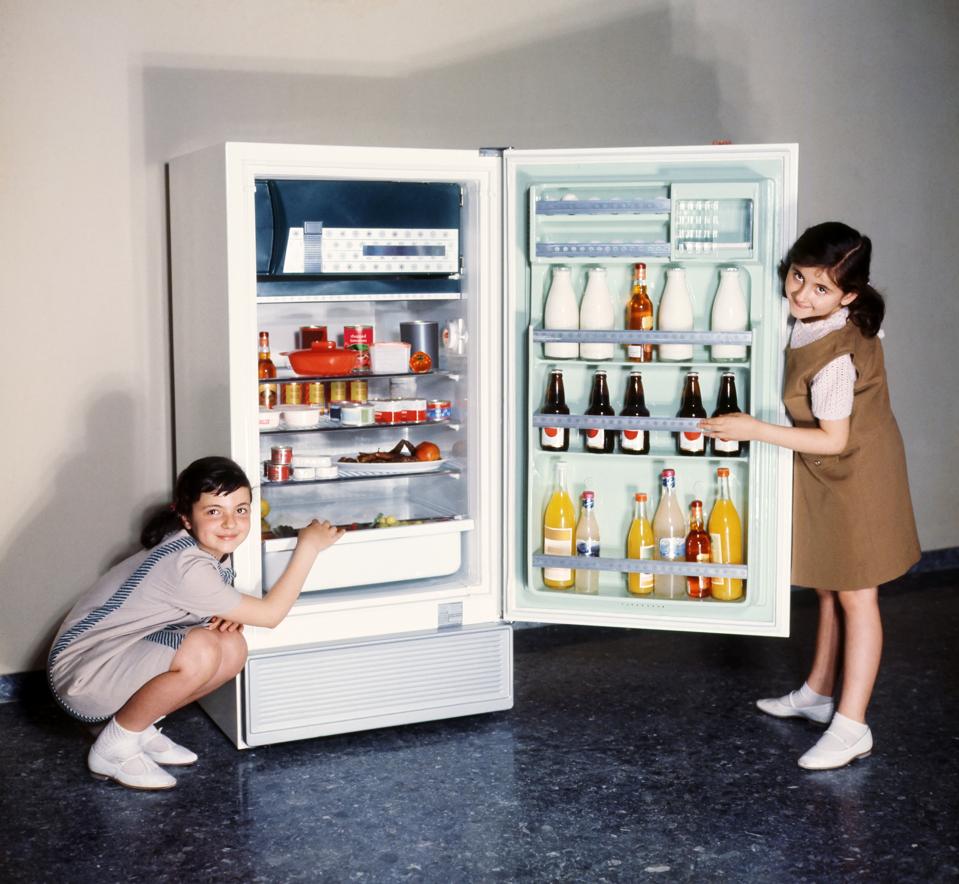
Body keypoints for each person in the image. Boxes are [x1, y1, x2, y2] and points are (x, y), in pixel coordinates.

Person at [701, 222, 920, 770]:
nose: (800, 293)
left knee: (857, 596)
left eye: (820, 288)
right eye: (798, 277)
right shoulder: (807, 319)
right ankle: (819, 694)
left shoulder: (838, 355)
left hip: (858, 474)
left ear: (848, 296)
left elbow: (834, 437)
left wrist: (751, 429)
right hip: (828, 470)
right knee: (829, 585)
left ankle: (852, 728)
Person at [47, 455, 343, 790]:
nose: (231, 523)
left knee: (232, 648)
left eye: (241, 510)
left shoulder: (206, 548)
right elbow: (271, 615)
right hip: (82, 676)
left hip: (112, 658)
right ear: (187, 517)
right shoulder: (187, 566)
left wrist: (221, 613)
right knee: (201, 649)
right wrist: (309, 545)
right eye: (214, 511)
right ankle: (113, 748)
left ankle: (134, 726)